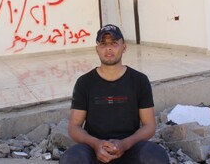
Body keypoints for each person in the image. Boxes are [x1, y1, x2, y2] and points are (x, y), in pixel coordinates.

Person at [59, 24, 169, 164]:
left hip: (129, 149)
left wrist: (125, 144)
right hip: (94, 151)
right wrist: (96, 144)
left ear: (124, 47)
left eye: (114, 43)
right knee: (71, 158)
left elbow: (149, 126)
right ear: (97, 49)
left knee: (156, 156)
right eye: (103, 44)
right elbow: (74, 127)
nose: (108, 48)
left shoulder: (139, 80)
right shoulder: (84, 82)